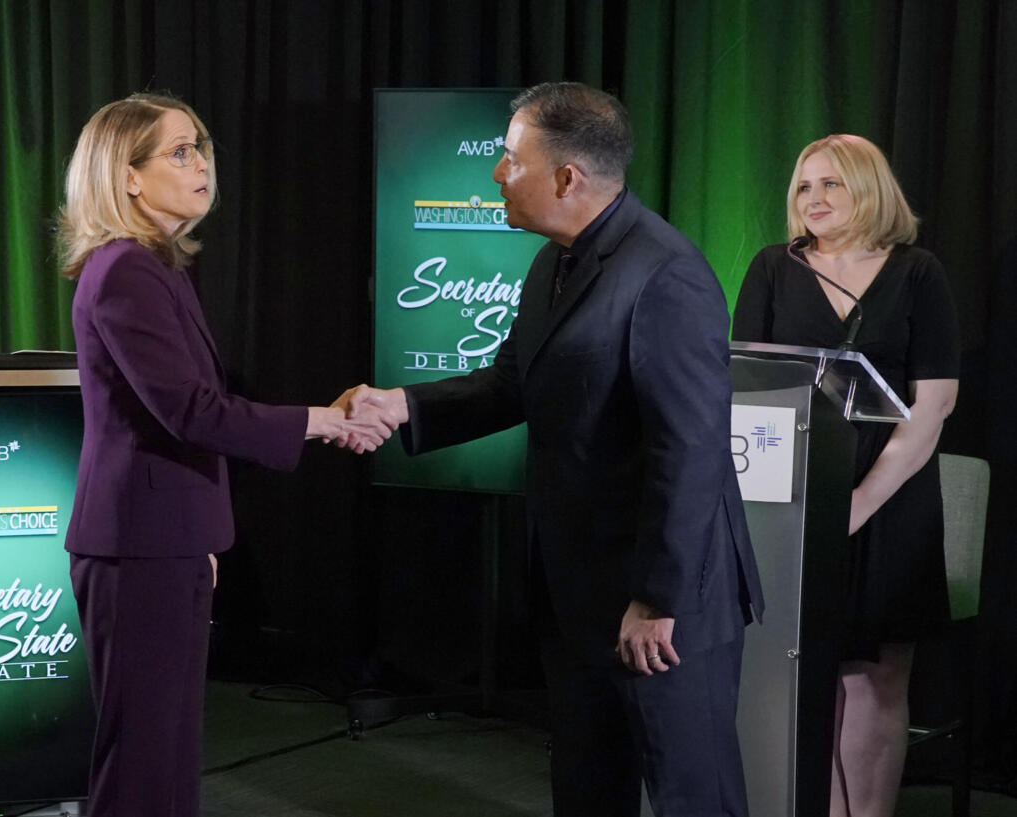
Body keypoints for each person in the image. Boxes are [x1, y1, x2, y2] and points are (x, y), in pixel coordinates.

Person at [339, 82, 764, 817]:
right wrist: (402, 405)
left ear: (569, 178)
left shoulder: (667, 275)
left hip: (662, 610)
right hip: (577, 597)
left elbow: (689, 449)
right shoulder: (552, 262)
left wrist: (656, 599)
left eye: (509, 159)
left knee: (694, 796)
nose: (496, 174)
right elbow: (514, 383)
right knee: (587, 789)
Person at [57, 92, 391, 817]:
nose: (202, 162)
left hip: (164, 542)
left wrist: (197, 535)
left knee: (167, 760)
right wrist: (326, 422)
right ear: (129, 177)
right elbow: (189, 411)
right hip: (138, 547)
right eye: (180, 151)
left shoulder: (157, 268)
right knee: (143, 764)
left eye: (202, 146)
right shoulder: (123, 272)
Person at [732, 134, 959, 817]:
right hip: (792, 495)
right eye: (804, 187)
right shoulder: (773, 267)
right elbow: (748, 384)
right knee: (806, 673)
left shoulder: (919, 272)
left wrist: (859, 500)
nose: (814, 198)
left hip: (890, 495)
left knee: (876, 680)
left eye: (831, 183)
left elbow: (936, 401)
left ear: (870, 189)